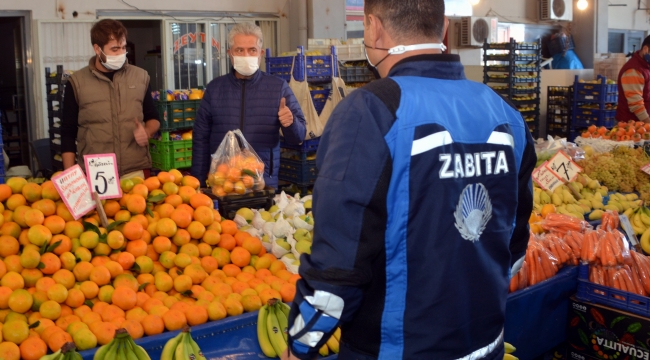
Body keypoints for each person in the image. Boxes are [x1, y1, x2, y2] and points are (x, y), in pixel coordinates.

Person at [283, 0, 536, 359]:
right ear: (444, 28)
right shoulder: (506, 114)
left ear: (372, 28)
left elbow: (338, 265)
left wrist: (300, 343)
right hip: (485, 344)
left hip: (398, 349)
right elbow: (514, 245)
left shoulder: (371, 112)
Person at [191, 23, 306, 189]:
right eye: (239, 50)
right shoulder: (215, 89)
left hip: (262, 183)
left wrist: (291, 123)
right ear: (230, 54)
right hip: (223, 182)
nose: (246, 55)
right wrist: (199, 184)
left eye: (252, 50)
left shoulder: (278, 87)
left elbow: (299, 137)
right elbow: (200, 137)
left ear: (260, 53)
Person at [61, 19, 160, 179]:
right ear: (97, 49)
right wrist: (69, 177)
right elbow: (68, 132)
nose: (121, 53)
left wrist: (147, 131)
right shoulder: (77, 83)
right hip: (95, 172)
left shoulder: (140, 77)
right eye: (114, 49)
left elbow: (153, 117)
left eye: (123, 47)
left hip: (134, 170)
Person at [617, 35, 650, 123]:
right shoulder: (633, 70)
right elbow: (636, 104)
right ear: (646, 49)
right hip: (632, 126)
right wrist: (648, 123)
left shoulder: (646, 67)